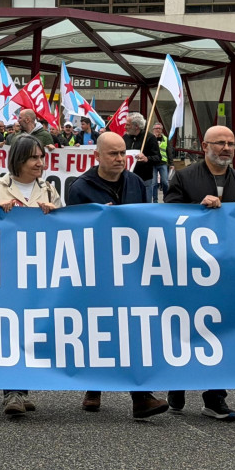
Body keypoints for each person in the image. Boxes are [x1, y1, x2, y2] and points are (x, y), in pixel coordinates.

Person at [65, 131, 169, 419]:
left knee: (131, 327)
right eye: (113, 153)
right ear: (97, 156)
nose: (120, 158)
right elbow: (70, 232)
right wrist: (98, 218)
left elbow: (147, 219)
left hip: (131, 269)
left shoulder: (135, 182)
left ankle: (141, 398)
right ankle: (94, 387)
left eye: (123, 152)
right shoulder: (80, 188)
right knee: (98, 328)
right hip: (95, 271)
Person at [162, 126, 235, 422]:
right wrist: (198, 209)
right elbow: (168, 215)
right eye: (221, 143)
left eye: (231, 143)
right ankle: (176, 385)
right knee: (183, 328)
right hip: (188, 269)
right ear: (204, 146)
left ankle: (215, 396)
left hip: (226, 272)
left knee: (219, 330)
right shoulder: (183, 177)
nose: (227, 148)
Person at [0, 135, 60, 417]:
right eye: (33, 158)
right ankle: (11, 391)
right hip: (6, 272)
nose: (40, 162)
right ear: (19, 160)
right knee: (10, 329)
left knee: (32, 330)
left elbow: (66, 230)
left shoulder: (49, 191)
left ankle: (22, 389)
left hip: (38, 272)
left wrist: (55, 214)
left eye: (41, 157)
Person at [123, 113, 163, 202]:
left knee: (145, 205)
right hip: (127, 179)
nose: (125, 127)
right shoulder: (125, 138)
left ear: (136, 126)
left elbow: (158, 158)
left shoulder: (149, 138)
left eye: (128, 125)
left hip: (144, 179)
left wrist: (146, 159)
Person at [152, 122, 170, 199]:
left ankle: (165, 197)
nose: (158, 130)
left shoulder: (165, 139)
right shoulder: (150, 138)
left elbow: (169, 151)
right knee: (154, 183)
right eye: (156, 128)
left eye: (159, 128)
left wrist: (171, 163)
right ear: (153, 130)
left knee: (165, 182)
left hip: (163, 163)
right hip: (153, 163)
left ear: (162, 130)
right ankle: (155, 200)